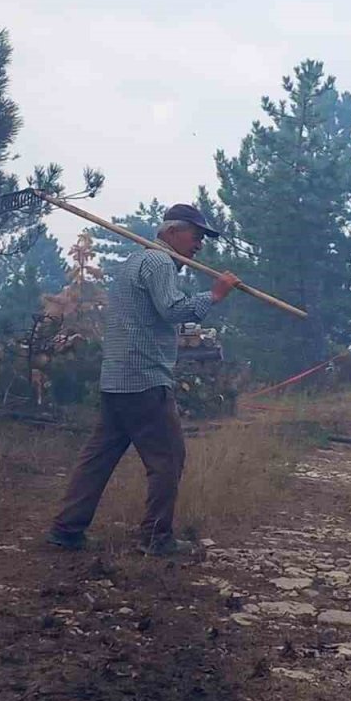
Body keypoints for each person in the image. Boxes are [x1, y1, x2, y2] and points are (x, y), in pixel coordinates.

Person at [47, 204, 240, 556]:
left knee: (99, 457)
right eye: (196, 237)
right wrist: (214, 295)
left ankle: (66, 528)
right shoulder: (158, 262)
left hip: (117, 378)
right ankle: (156, 538)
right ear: (172, 232)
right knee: (168, 458)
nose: (199, 246)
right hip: (144, 380)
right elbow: (172, 310)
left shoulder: (137, 262)